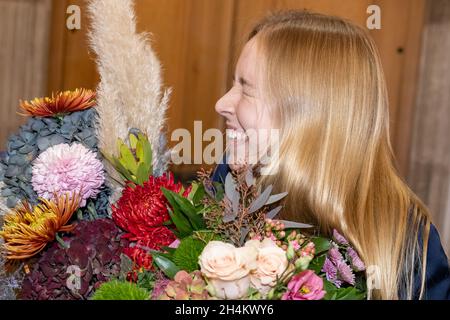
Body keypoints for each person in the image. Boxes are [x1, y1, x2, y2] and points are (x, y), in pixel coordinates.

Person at [212, 10, 450, 300]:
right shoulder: (227, 183)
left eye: (245, 89)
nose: (221, 103)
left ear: (307, 115)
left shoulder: (405, 244)